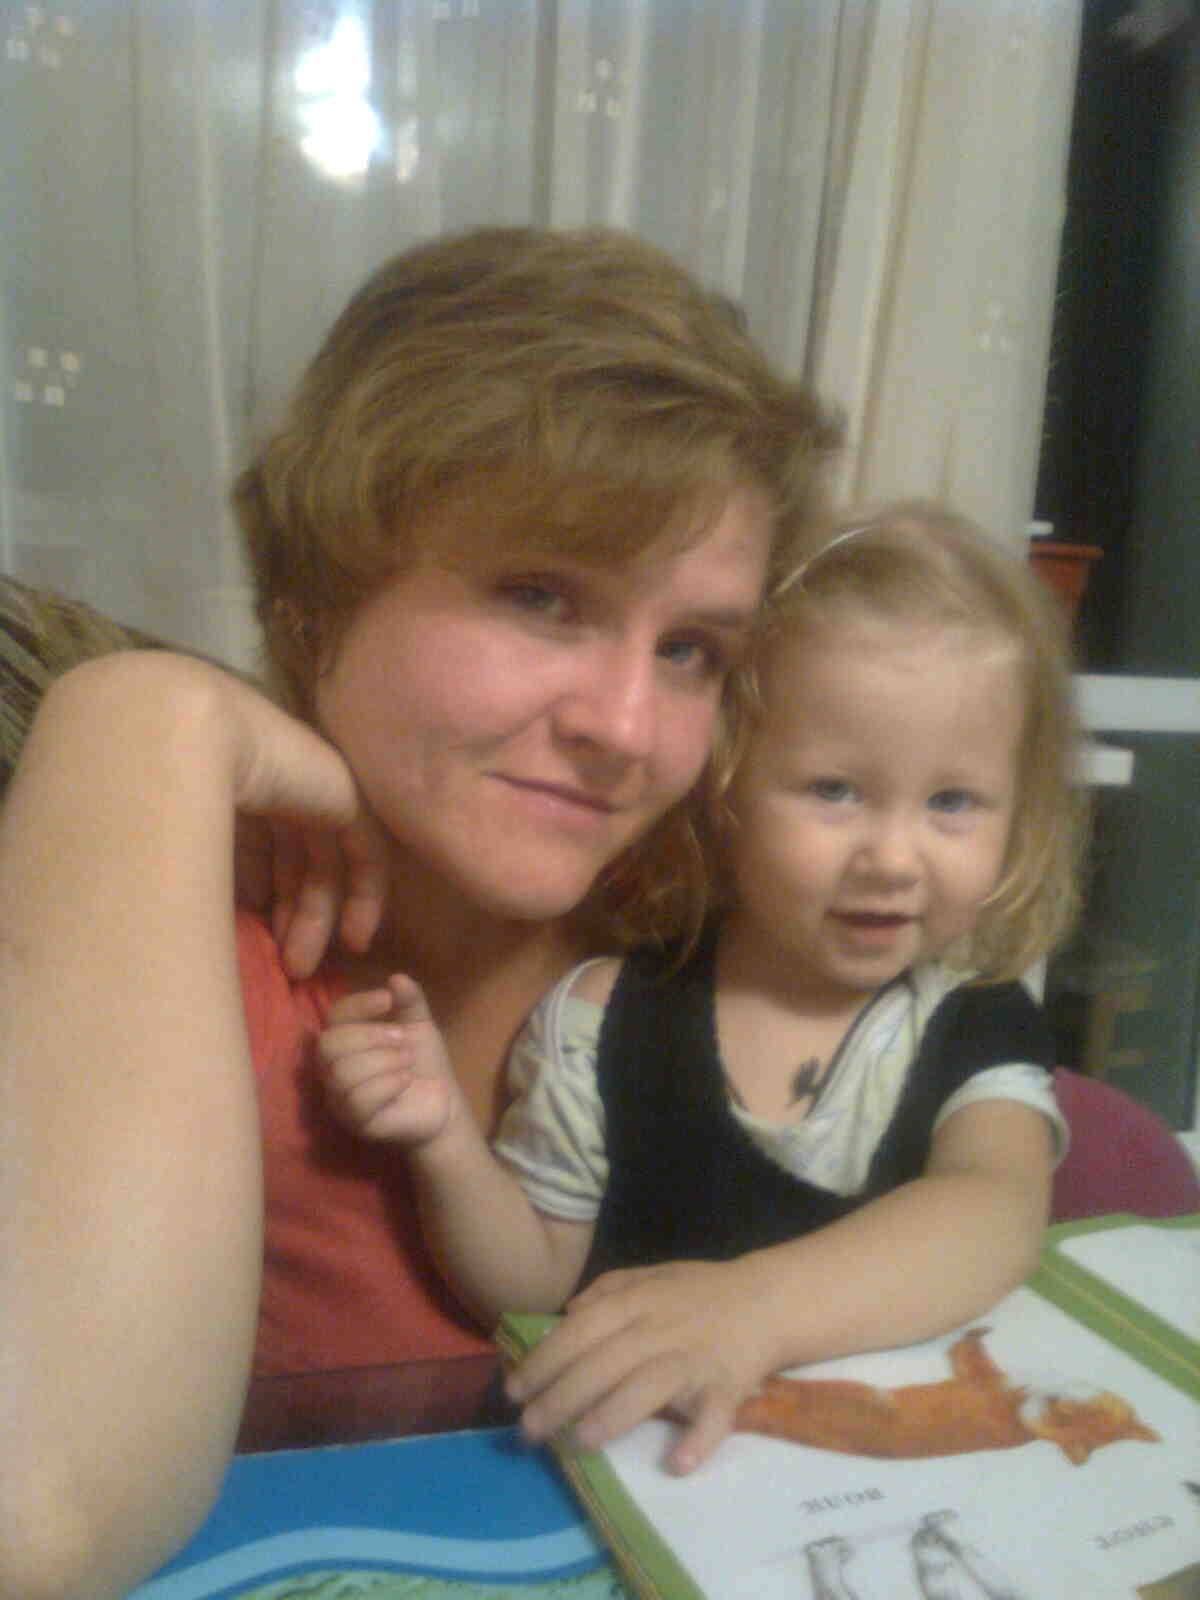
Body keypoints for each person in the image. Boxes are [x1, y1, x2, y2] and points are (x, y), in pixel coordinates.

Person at [0, 225, 839, 1599]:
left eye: (690, 649)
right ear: (316, 600)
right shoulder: (166, 949)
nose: (629, 729)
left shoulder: (693, 957)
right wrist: (141, 716)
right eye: (541, 596)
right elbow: (38, 1522)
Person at [317, 500, 1089, 1475]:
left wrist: (751, 1309)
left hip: (878, 1480)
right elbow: (528, 1284)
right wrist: (443, 1143)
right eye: (835, 790)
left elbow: (993, 1210)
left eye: (953, 801)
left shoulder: (979, 1019)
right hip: (646, 1481)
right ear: (725, 793)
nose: (894, 858)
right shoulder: (602, 1018)